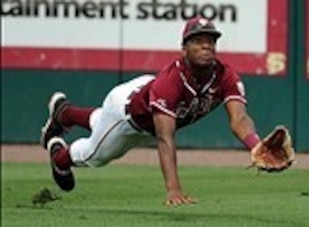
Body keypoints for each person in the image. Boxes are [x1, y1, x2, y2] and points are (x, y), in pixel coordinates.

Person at [41, 16, 261, 206]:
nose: (206, 46)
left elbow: (239, 118)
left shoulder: (224, 75)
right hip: (127, 116)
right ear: (184, 48)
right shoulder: (171, 81)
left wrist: (256, 146)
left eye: (211, 41)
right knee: (95, 155)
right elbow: (165, 139)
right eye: (197, 41)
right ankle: (59, 156)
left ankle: (64, 113)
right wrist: (173, 188)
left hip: (144, 91)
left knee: (101, 120)